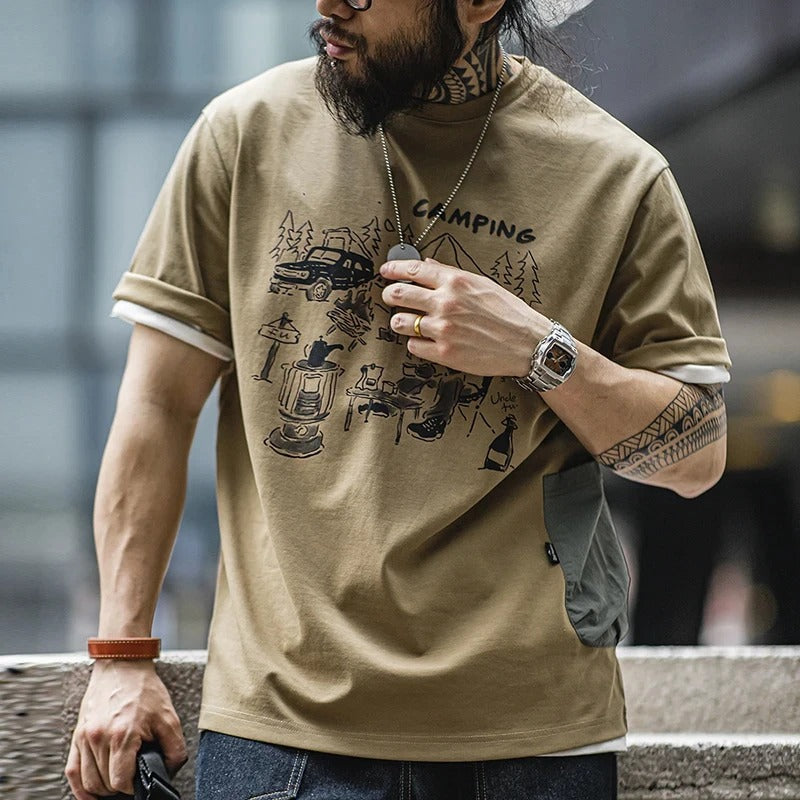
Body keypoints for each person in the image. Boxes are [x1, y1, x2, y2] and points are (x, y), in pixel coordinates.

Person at [66, 0, 732, 798]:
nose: (328, 4)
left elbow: (697, 457)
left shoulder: (616, 176)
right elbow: (157, 409)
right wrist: (120, 655)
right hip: (283, 737)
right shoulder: (241, 136)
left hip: (531, 742)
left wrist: (537, 351)